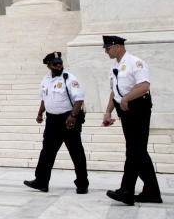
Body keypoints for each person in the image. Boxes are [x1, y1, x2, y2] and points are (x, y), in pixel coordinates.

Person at [102, 35, 162, 205]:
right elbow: (115, 91)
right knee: (139, 152)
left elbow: (144, 86)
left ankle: (126, 191)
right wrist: (108, 111)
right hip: (126, 111)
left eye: (108, 47)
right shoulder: (115, 66)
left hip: (138, 109)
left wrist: (127, 99)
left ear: (118, 46)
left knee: (134, 151)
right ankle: (152, 192)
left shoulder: (135, 62)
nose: (106, 51)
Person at [23, 51, 89, 194]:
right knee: (47, 152)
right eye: (55, 64)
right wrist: (40, 113)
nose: (59, 66)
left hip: (68, 119)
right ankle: (41, 181)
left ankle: (82, 184)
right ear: (49, 66)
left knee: (76, 152)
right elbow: (44, 99)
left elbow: (79, 99)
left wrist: (72, 116)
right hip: (52, 120)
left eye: (60, 64)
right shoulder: (46, 80)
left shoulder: (69, 78)